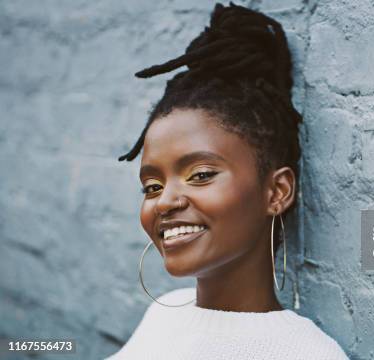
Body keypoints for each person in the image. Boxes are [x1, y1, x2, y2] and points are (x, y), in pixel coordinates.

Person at [105, 2, 349, 359]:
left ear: (277, 192)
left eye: (201, 175)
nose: (165, 201)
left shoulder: (306, 354)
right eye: (152, 187)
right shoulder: (164, 314)